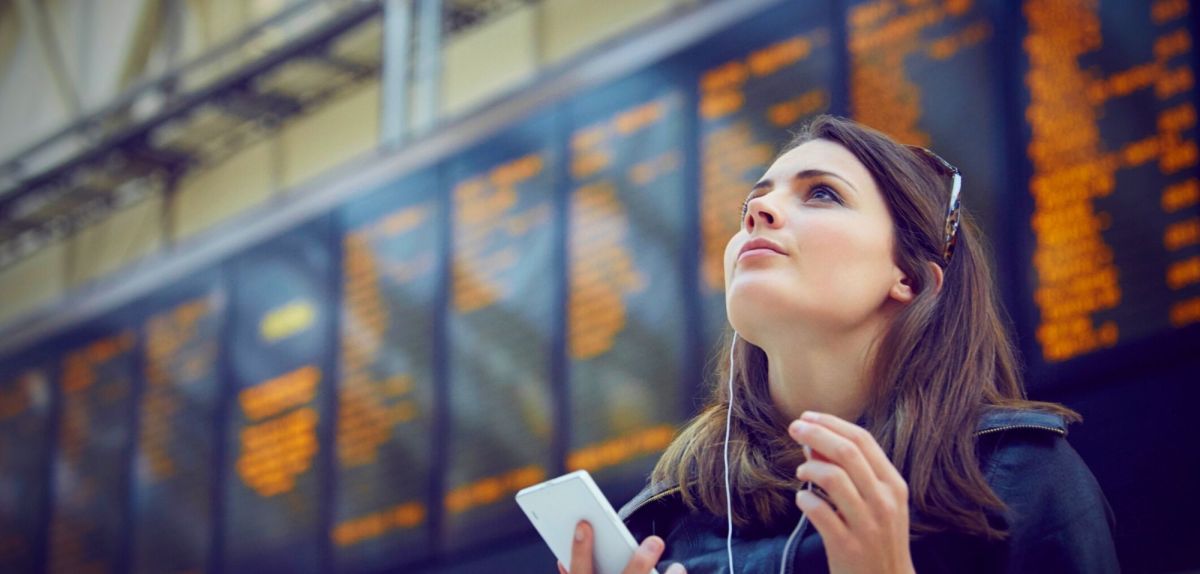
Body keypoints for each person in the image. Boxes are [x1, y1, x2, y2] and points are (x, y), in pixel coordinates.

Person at [557, 114, 1118, 573]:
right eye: (751, 204)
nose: (757, 212)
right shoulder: (664, 525)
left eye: (822, 194)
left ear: (911, 279)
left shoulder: (1018, 478)